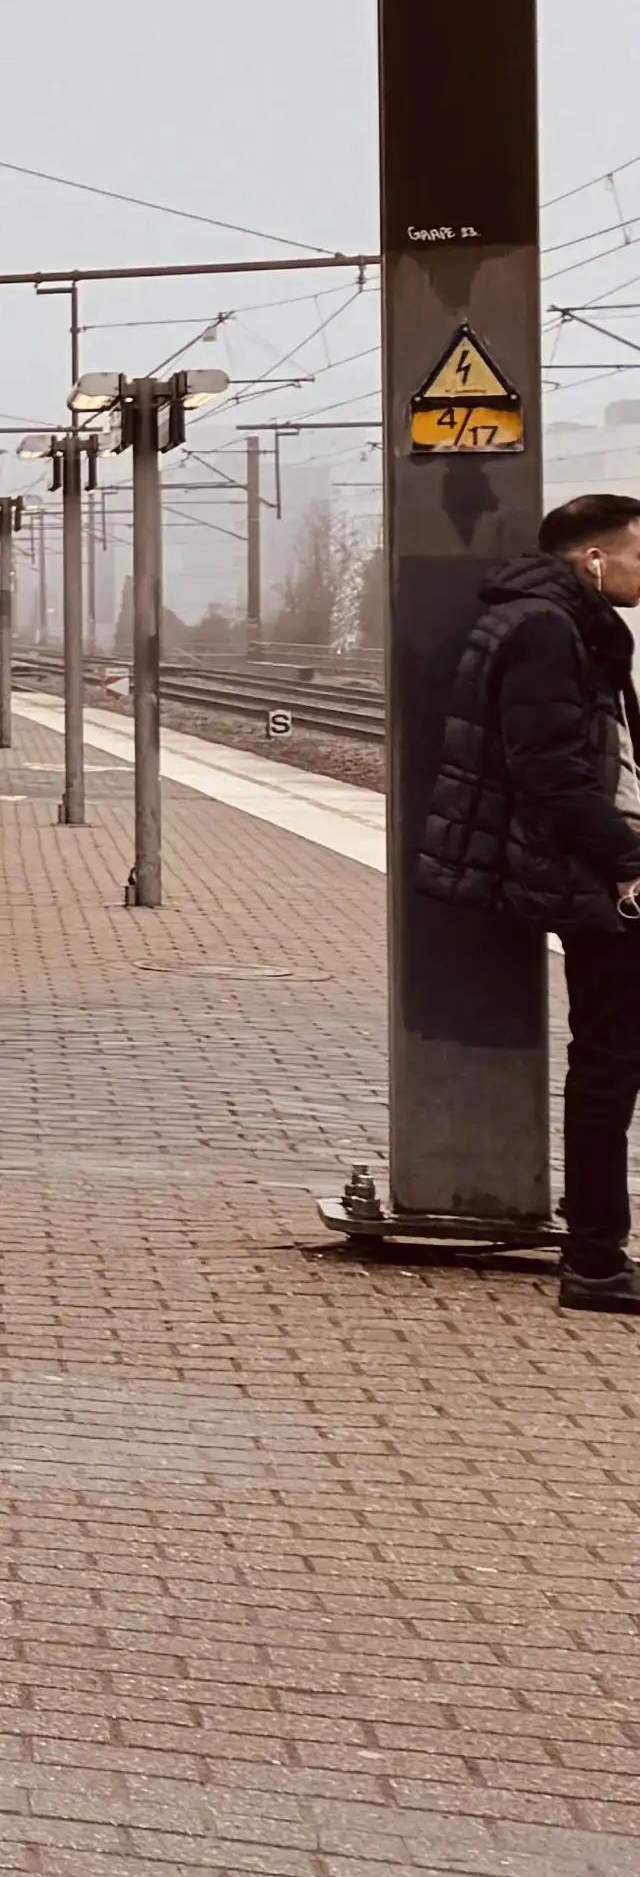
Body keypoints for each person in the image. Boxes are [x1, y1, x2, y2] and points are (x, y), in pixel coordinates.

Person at [410, 488, 640, 1310]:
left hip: (590, 863)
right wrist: (627, 859)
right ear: (594, 558)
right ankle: (596, 1260)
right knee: (610, 1065)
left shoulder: (558, 620)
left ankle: (597, 1250)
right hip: (595, 873)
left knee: (610, 1061)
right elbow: (548, 767)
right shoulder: (546, 627)